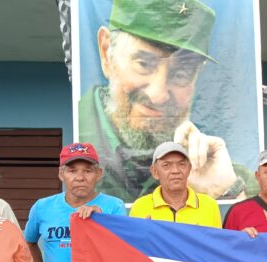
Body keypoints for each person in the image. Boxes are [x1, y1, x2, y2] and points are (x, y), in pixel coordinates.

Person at [79, 0, 254, 201]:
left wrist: (225, 189)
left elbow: (253, 227)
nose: (158, 95)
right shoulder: (79, 146)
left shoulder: (231, 175)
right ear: (105, 51)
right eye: (143, 64)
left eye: (181, 74)